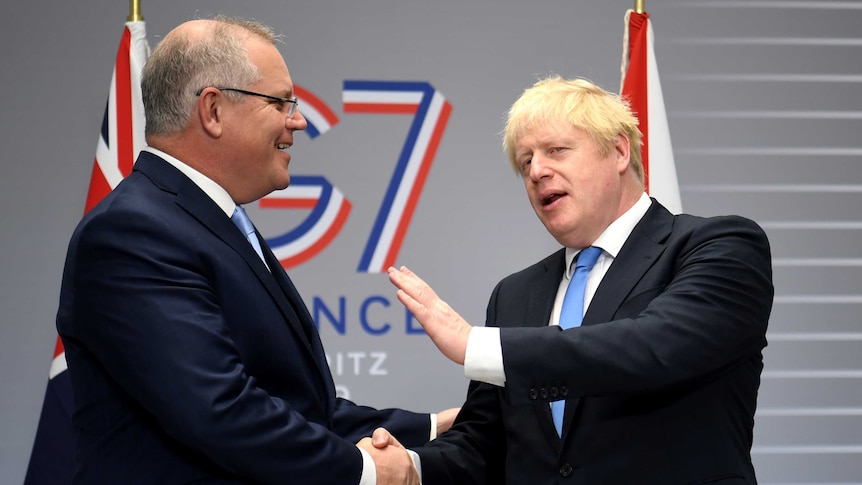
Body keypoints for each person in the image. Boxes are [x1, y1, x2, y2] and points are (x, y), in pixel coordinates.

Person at [56, 16, 456, 485]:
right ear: (214, 111)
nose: (299, 121)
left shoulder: (209, 223)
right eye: (281, 102)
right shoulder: (131, 233)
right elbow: (219, 409)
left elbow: (303, 407)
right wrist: (369, 472)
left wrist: (435, 428)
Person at [384, 75, 774, 484]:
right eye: (525, 162)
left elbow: (654, 347)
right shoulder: (513, 296)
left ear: (619, 151)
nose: (536, 172)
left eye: (556, 150)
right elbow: (483, 444)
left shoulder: (720, 246)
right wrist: (412, 467)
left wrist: (475, 344)